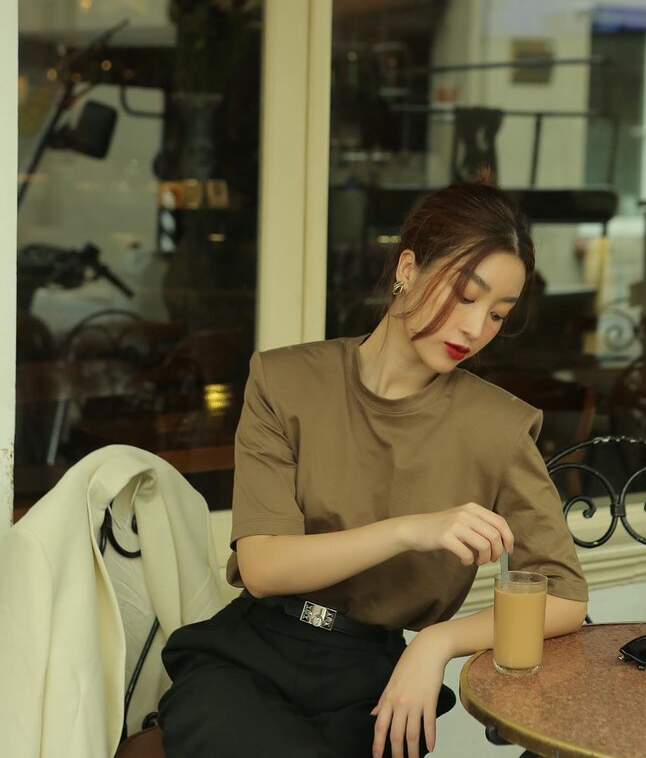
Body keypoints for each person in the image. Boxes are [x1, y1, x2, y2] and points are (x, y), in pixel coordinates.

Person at [157, 176, 588, 758]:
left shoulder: (498, 427)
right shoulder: (284, 381)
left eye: (497, 314)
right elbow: (262, 567)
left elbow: (564, 595)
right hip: (246, 657)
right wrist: (412, 530)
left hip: (372, 681)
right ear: (407, 268)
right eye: (465, 295)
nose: (475, 328)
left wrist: (436, 643)